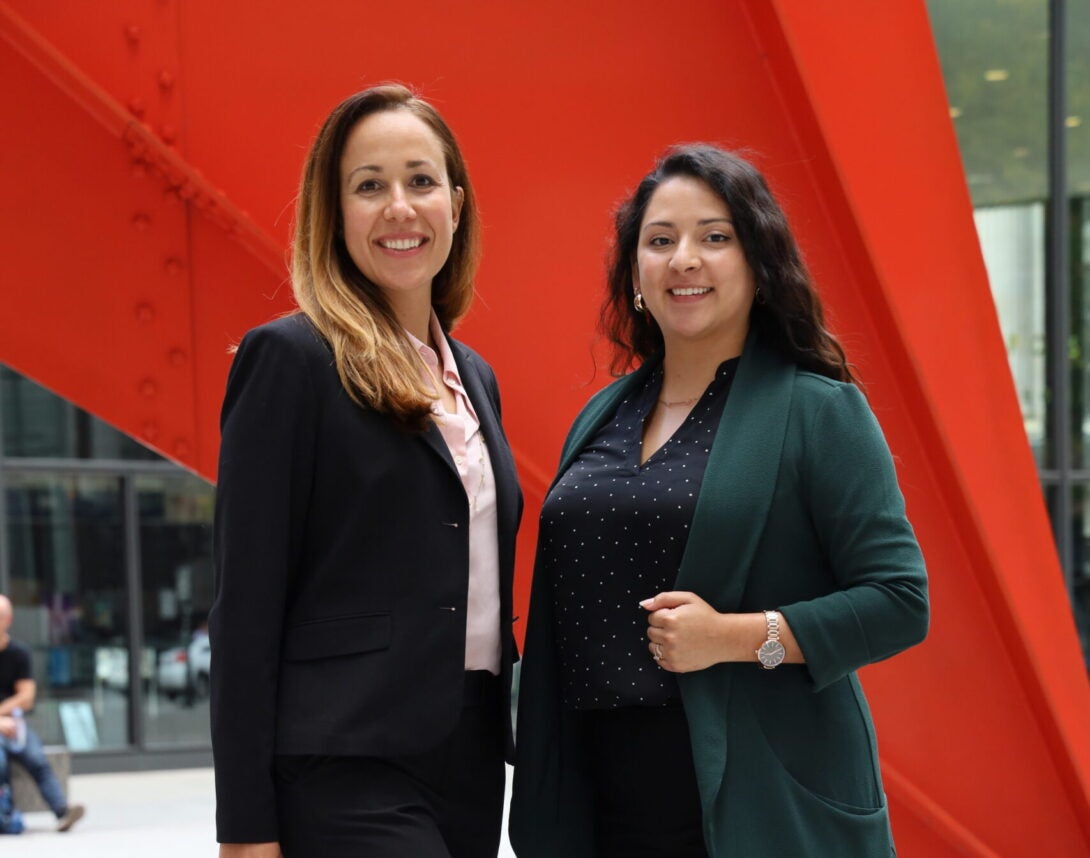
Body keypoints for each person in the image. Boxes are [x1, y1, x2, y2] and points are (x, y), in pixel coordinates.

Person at [509, 145, 929, 858]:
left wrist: (737, 638)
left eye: (715, 237)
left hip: (751, 800)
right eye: (660, 240)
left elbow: (899, 600)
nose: (685, 260)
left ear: (759, 264)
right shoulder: (603, 415)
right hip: (597, 796)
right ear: (635, 274)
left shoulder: (818, 410)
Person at [209, 85, 522, 858]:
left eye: (420, 181)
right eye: (369, 185)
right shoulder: (291, 359)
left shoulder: (474, 377)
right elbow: (245, 607)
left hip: (471, 755)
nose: (399, 207)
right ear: (336, 211)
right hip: (344, 762)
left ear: (456, 201)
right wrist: (244, 828)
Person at [0, 595, 85, 833]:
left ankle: (62, 811)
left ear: (9, 620)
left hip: (14, 724)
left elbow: (26, 697)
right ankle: (6, 815)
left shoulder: (19, 653)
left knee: (36, 758)